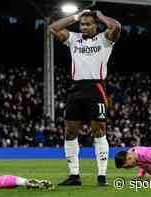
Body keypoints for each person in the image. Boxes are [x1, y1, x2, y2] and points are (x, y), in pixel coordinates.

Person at [50, 9, 121, 186]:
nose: (84, 27)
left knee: (99, 131)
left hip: (96, 88)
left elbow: (116, 26)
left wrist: (101, 15)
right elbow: (53, 27)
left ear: (95, 25)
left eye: (88, 24)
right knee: (70, 132)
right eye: (82, 24)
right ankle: (74, 176)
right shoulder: (74, 39)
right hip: (76, 88)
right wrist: (76, 16)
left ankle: (102, 176)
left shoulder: (104, 39)